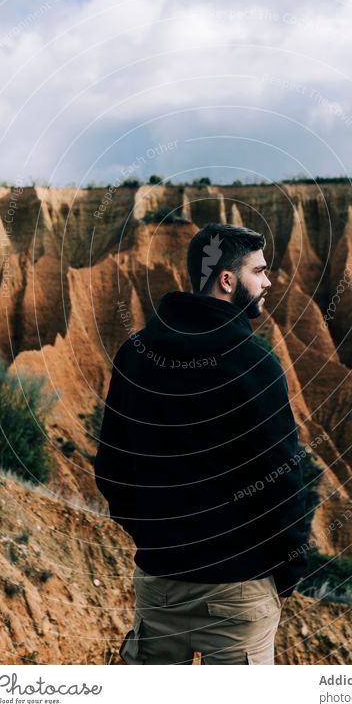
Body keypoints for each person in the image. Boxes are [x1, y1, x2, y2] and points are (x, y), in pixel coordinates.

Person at [94, 222, 310, 664]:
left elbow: (112, 469)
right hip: (238, 592)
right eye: (259, 271)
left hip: (159, 584)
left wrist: (158, 540)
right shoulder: (253, 364)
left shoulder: (136, 354)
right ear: (227, 281)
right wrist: (285, 575)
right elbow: (283, 482)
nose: (269, 281)